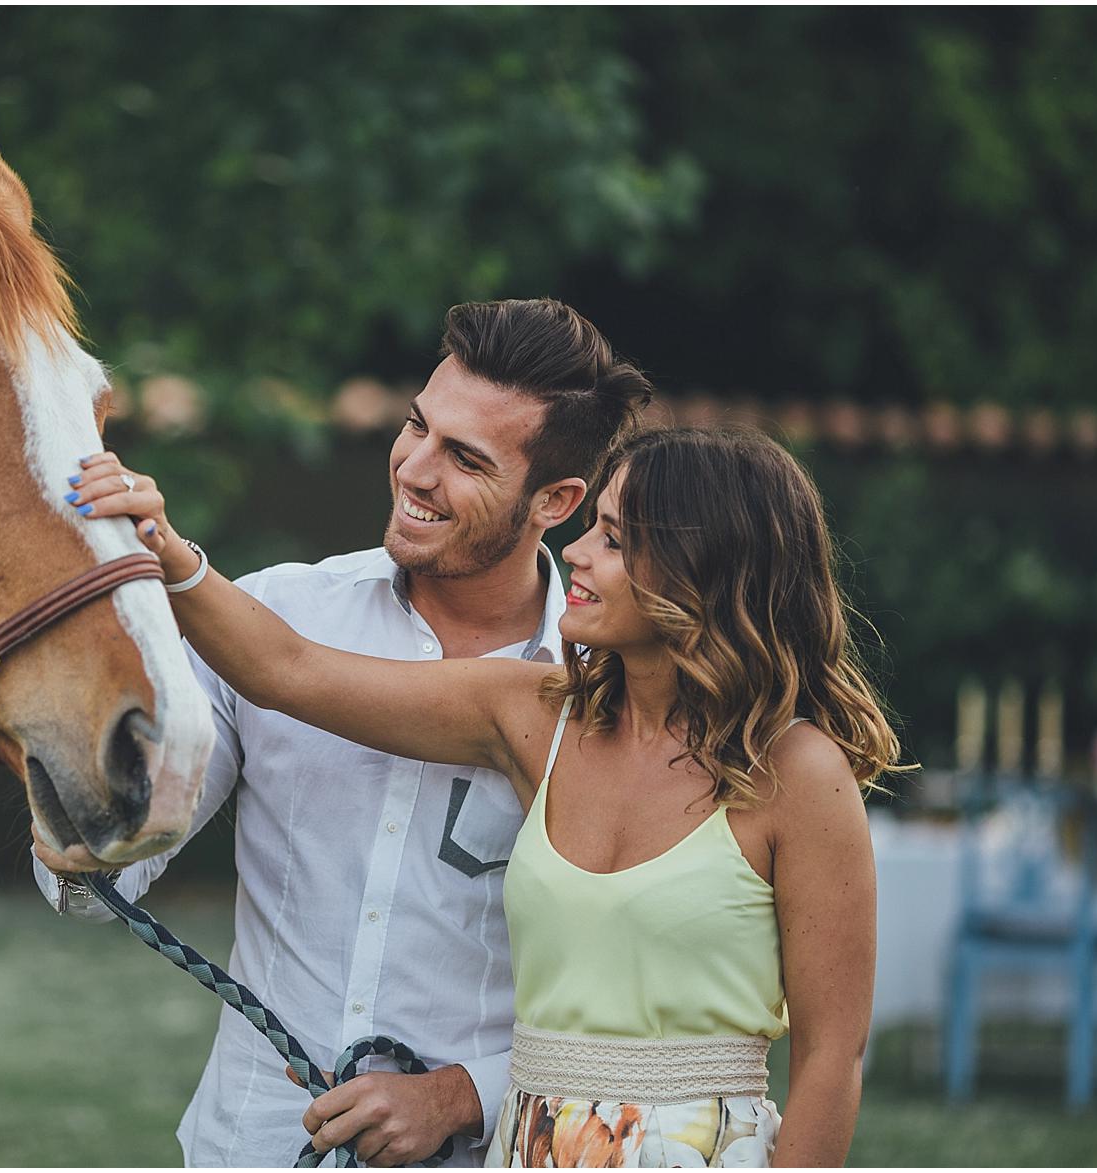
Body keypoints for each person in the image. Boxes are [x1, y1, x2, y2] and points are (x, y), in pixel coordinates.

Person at [63, 425, 898, 1167]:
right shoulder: (537, 714)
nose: (575, 551)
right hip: (522, 1148)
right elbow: (289, 669)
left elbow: (831, 1055)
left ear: (698, 573)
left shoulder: (798, 774)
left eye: (612, 538)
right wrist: (169, 555)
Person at [33, 299, 653, 1166]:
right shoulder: (275, 612)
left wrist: (460, 1093)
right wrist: (84, 797)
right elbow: (104, 873)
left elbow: (642, 994)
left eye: (465, 458)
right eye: (415, 427)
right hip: (248, 1145)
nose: (414, 469)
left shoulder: (608, 694)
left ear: (555, 499)